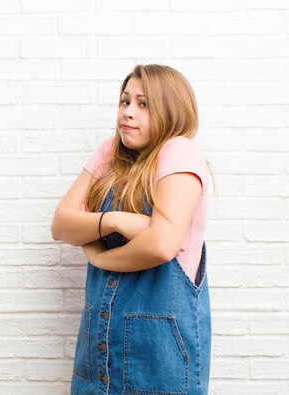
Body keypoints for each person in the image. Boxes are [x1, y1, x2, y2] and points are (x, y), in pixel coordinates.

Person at [50, 64, 212, 395]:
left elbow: (162, 245)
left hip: (158, 357)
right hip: (97, 351)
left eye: (143, 104)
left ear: (170, 109)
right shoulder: (111, 152)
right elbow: (61, 224)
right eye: (125, 102)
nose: (128, 112)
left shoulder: (178, 151)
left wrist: (100, 256)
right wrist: (114, 220)